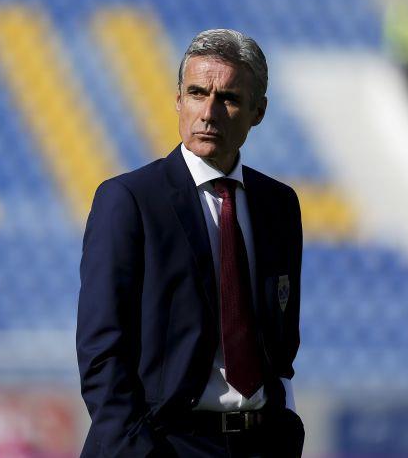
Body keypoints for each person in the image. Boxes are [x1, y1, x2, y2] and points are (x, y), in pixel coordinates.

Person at [76, 29, 305, 457]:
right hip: (163, 444)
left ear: (258, 111)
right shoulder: (129, 200)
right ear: (178, 100)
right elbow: (101, 353)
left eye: (229, 98)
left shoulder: (279, 205)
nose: (209, 113)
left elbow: (281, 345)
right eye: (197, 93)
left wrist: (284, 433)